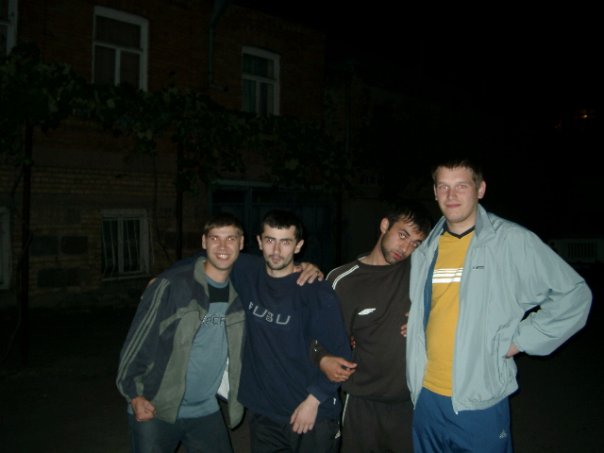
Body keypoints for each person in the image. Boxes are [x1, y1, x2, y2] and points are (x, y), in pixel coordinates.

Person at [406, 158, 592, 453]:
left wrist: (520, 339)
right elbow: (436, 307)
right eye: (443, 186)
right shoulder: (426, 250)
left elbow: (574, 294)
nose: (451, 195)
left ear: (480, 189)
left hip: (480, 400)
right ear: (435, 191)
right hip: (426, 397)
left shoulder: (511, 241)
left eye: (461, 186)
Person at [116, 212, 246, 453]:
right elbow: (137, 341)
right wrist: (134, 395)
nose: (223, 246)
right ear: (204, 242)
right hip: (156, 406)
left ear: (241, 243)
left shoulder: (241, 294)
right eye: (215, 238)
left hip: (205, 409)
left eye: (230, 238)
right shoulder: (172, 285)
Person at [313, 204, 432, 453]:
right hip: (361, 401)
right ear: (385, 225)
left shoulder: (421, 274)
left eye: (416, 243)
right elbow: (315, 333)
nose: (406, 248)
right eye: (403, 235)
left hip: (411, 400)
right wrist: (321, 357)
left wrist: (426, 318)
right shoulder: (342, 280)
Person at [234, 209, 352, 453]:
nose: (276, 250)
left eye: (285, 242)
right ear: (259, 242)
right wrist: (162, 279)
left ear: (298, 246)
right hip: (264, 412)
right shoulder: (247, 271)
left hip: (309, 414)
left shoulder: (316, 290)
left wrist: (314, 400)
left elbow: (342, 357)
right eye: (270, 240)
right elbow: (209, 258)